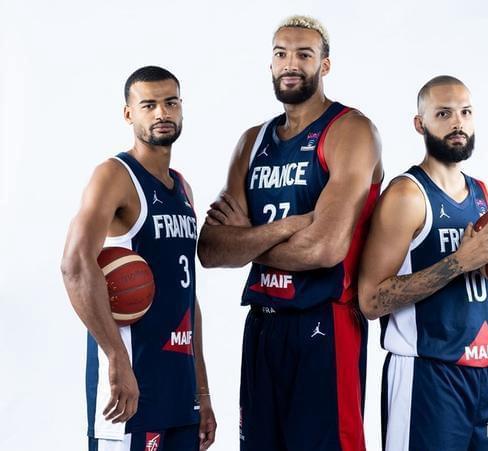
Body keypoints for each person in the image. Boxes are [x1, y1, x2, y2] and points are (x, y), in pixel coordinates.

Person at [197, 15, 383, 451]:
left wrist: (245, 241)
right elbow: (209, 248)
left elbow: (325, 248)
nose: (291, 64)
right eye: (281, 54)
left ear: (325, 64)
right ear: (270, 63)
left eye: (304, 54)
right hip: (263, 324)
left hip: (325, 320)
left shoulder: (350, 130)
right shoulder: (252, 141)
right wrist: (288, 226)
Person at [359, 76, 488, 451]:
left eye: (465, 112)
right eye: (444, 114)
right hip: (426, 373)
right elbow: (370, 301)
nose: (458, 123)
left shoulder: (484, 195)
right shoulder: (406, 195)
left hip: (487, 374)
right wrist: (459, 261)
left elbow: (476, 299)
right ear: (420, 124)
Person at [61, 66, 216, 451]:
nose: (162, 113)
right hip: (131, 382)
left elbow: (187, 295)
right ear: (128, 114)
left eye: (170, 103)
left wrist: (203, 393)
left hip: (179, 387)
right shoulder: (114, 175)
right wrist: (116, 356)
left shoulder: (183, 188)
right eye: (149, 105)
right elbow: (75, 265)